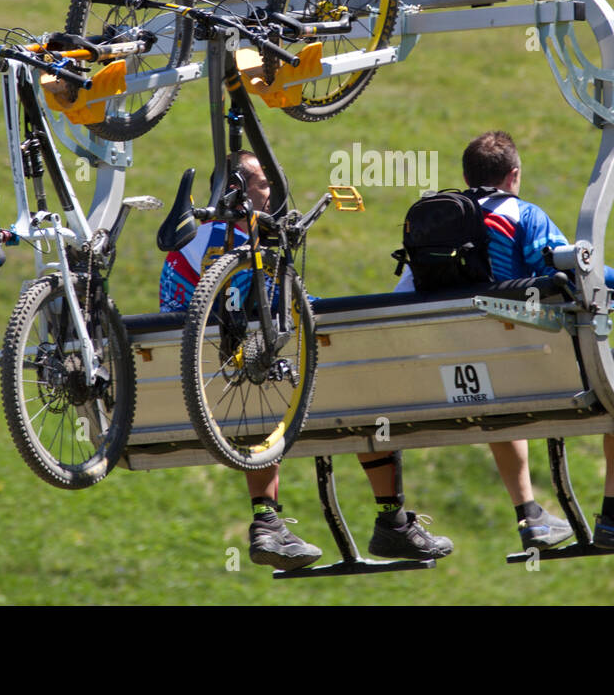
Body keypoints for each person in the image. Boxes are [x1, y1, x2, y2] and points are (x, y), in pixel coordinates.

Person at [161, 150, 453, 570]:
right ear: (235, 191)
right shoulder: (238, 246)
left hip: (183, 389)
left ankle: (268, 521)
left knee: (269, 380)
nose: (273, 193)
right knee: (362, 391)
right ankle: (392, 518)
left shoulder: (190, 240)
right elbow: (283, 306)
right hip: (235, 384)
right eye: (265, 184)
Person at [395, 131, 614, 551]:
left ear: (465, 175)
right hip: (539, 375)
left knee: (492, 379)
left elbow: (404, 295)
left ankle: (529, 515)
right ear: (513, 175)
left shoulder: (431, 224)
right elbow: (579, 269)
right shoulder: (522, 214)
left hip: (461, 381)